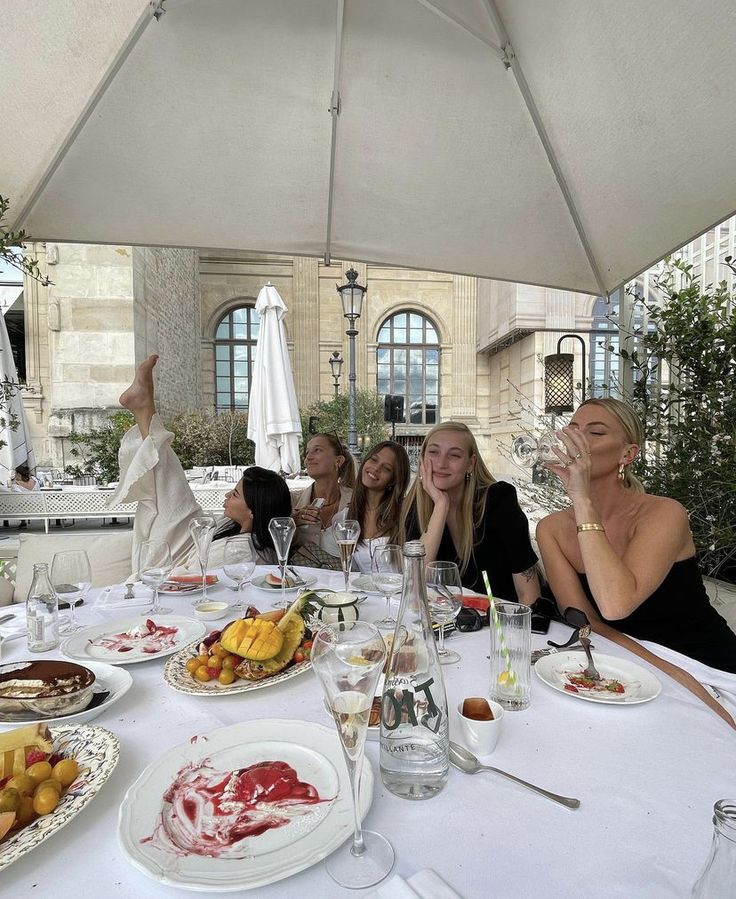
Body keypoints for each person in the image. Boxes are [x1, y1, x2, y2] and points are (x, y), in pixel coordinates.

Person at [536, 397, 736, 674]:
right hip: (626, 664)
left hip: (704, 664)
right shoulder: (551, 528)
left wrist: (581, 500)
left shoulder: (664, 514)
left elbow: (615, 605)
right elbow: (583, 619)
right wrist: (652, 667)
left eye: (594, 432)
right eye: (573, 430)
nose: (576, 441)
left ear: (627, 454)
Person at [109, 355, 292, 575]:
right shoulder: (235, 529)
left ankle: (144, 409)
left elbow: (192, 574)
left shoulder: (240, 551)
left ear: (253, 511)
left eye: (234, 494)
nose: (226, 495)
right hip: (194, 547)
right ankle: (144, 409)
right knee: (172, 488)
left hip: (179, 571)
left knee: (166, 498)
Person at [400, 421, 540, 603]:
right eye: (434, 452)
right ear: (422, 458)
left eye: (454, 455)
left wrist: (518, 628)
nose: (441, 463)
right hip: (449, 624)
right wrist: (441, 506)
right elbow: (414, 582)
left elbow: (529, 592)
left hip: (500, 623)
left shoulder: (499, 500)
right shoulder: (418, 505)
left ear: (470, 464)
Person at [327, 440, 411, 572]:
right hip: (362, 591)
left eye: (386, 468)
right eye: (373, 459)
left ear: (394, 480)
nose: (376, 468)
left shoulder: (406, 514)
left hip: (397, 591)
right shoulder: (344, 518)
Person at [290, 432, 355, 565]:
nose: (308, 457)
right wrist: (293, 522)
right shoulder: (292, 501)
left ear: (338, 461)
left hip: (346, 579)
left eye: (317, 450)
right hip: (304, 581)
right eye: (307, 453)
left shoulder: (356, 500)